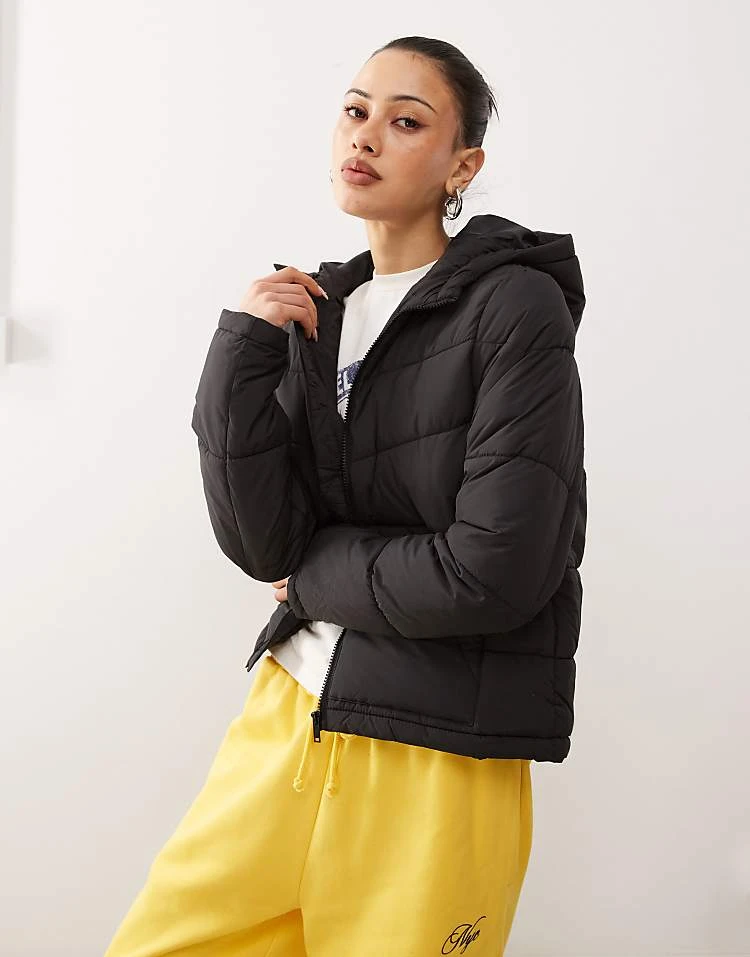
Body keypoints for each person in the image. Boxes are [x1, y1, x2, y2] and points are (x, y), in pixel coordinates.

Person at [103, 35, 587, 957]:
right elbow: (265, 547)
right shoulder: (318, 311)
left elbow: (495, 570)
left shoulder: (515, 308)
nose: (365, 135)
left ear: (463, 166)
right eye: (356, 111)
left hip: (436, 753)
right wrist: (239, 355)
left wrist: (313, 577)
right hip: (287, 715)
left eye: (406, 122)